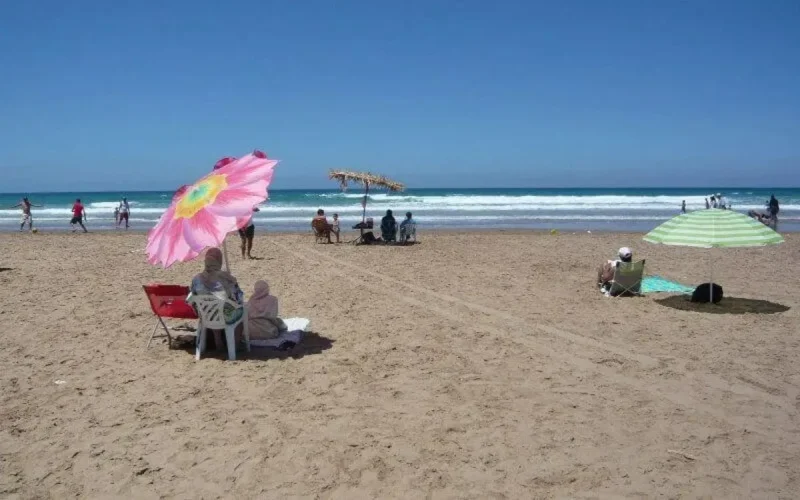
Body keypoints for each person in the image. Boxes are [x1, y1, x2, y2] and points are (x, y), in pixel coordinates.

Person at [190, 248, 245, 349]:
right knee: (241, 311)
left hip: (205, 315)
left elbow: (192, 297)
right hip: (224, 317)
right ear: (219, 261)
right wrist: (229, 278)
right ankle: (236, 344)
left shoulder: (196, 279)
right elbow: (238, 298)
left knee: (214, 308)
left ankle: (217, 339)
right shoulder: (226, 278)